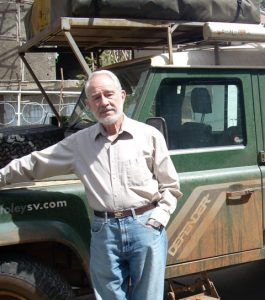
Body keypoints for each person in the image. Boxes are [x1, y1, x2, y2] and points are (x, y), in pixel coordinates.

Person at [0, 70, 182, 300]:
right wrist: (2, 176)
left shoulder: (149, 136)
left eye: (109, 94)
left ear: (122, 96)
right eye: (96, 97)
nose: (104, 102)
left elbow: (171, 186)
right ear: (88, 104)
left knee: (148, 296)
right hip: (104, 231)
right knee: (108, 296)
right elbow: (36, 163)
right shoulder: (78, 144)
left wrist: (159, 219)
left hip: (145, 226)